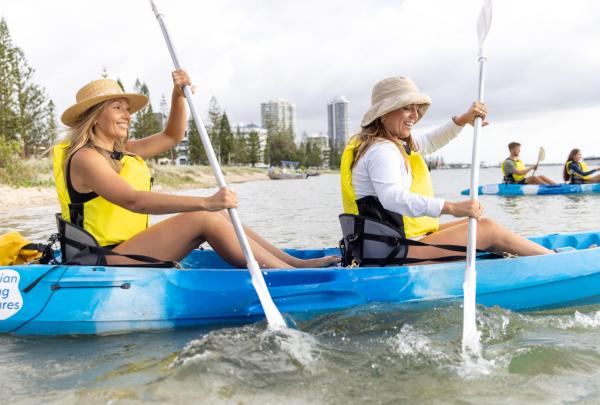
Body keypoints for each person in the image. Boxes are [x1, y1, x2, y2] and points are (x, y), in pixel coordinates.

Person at [53, 70, 338, 269]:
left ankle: (294, 263)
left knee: (221, 213)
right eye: (118, 108)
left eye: (127, 109)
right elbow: (133, 200)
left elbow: (171, 137)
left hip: (124, 247)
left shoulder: (124, 152)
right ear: (94, 117)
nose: (128, 115)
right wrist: (205, 201)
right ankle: (289, 277)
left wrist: (178, 97)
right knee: (205, 217)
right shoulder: (85, 158)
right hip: (98, 258)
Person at [340, 76, 552, 263]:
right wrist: (451, 207)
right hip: (389, 252)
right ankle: (553, 260)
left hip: (386, 242)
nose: (414, 115)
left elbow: (429, 142)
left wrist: (463, 120)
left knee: (477, 224)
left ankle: (536, 255)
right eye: (407, 108)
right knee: (487, 229)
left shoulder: (389, 143)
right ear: (384, 113)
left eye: (416, 109)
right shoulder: (382, 150)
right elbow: (392, 197)